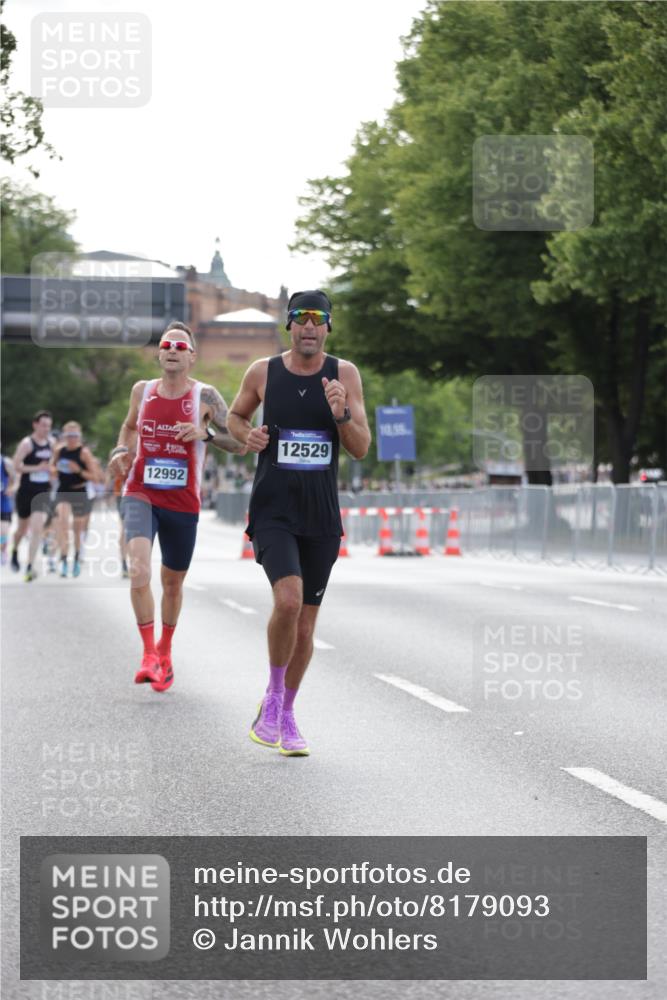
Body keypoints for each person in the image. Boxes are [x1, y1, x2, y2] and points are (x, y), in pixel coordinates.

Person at [228, 290, 371, 756]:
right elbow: (234, 416)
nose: (309, 327)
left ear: (328, 326)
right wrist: (245, 435)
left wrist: (340, 413)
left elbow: (360, 447)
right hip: (273, 509)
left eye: (318, 319)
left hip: (321, 515)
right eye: (301, 318)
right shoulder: (263, 372)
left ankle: (286, 713)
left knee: (306, 628)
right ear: (288, 325)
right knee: (287, 601)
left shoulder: (343, 374)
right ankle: (272, 696)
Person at [107, 321, 246, 693]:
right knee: (138, 569)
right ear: (159, 353)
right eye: (166, 344)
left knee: (172, 583)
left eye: (180, 346)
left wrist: (208, 434)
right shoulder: (143, 390)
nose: (171, 350)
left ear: (192, 356)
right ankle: (148, 654)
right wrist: (121, 450)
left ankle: (165, 653)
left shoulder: (206, 396)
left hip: (183, 502)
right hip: (140, 492)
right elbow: (129, 427)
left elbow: (241, 442)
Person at [51, 421, 103, 578]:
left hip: (79, 491)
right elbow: (51, 468)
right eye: (69, 435)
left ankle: (76, 558)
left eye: (75, 436)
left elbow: (95, 478)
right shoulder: (59, 451)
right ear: (64, 436)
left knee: (77, 530)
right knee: (63, 523)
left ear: (79, 436)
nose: (72, 439)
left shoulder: (84, 453)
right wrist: (54, 470)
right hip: (63, 491)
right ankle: (64, 560)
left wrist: (78, 469)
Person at [10, 410, 55, 581]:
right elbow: (16, 465)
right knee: (22, 529)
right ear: (35, 424)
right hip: (26, 491)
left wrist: (51, 470)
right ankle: (14, 550)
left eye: (48, 426)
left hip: (42, 491)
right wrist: (37, 468)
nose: (46, 429)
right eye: (43, 425)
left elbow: (53, 463)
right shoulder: (27, 444)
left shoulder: (52, 443)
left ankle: (30, 566)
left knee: (37, 528)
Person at [1, 451, 17, 565]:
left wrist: (11, 488)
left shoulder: (5, 462)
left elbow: (15, 479)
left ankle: (3, 550)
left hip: (3, 503)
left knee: (3, 532)